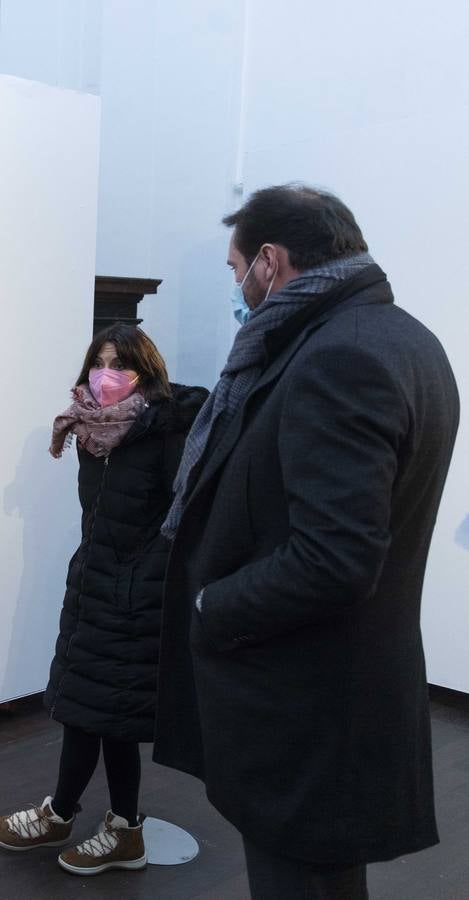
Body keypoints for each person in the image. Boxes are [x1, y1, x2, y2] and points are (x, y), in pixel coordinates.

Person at [156, 185, 459, 897]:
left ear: (269, 261)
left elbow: (334, 558)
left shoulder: (336, 356)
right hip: (338, 684)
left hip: (306, 695)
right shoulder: (400, 336)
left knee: (299, 882)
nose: (237, 288)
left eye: (236, 271)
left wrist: (210, 605)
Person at [0, 324, 206, 877]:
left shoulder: (163, 432)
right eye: (99, 361)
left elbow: (182, 521)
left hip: (137, 595)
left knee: (113, 715)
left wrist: (139, 578)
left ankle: (116, 828)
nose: (106, 374)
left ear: (145, 371)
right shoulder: (90, 432)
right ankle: (67, 815)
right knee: (88, 707)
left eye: (120, 363)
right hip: (95, 583)